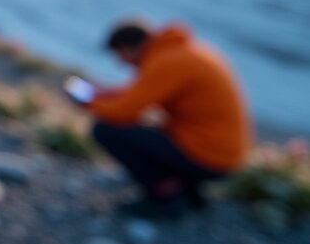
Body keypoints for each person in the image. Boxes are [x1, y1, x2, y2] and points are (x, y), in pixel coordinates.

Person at [82, 20, 250, 217]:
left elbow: (124, 112)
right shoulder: (183, 52)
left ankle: (164, 196)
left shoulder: (165, 62)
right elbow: (140, 92)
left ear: (128, 49)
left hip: (209, 156)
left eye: (120, 56)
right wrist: (105, 94)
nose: (121, 63)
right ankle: (189, 191)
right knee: (151, 129)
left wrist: (86, 102)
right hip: (224, 153)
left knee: (106, 130)